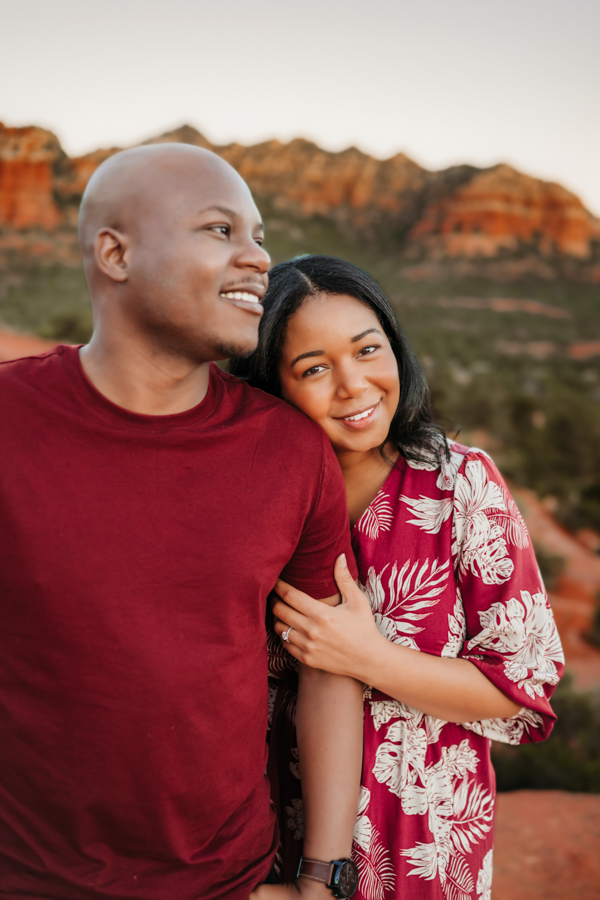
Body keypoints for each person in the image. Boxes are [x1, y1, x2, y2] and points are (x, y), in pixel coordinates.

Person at [0, 148, 364, 900]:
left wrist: (321, 879)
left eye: (258, 234)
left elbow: (326, 661)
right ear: (115, 253)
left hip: (223, 881)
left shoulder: (291, 451)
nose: (258, 257)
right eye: (219, 228)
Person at [231, 255, 565, 900]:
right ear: (272, 384)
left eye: (367, 350)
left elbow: (520, 689)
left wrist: (366, 657)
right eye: (315, 368)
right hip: (276, 849)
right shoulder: (253, 505)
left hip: (425, 855)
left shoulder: (460, 485)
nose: (354, 385)